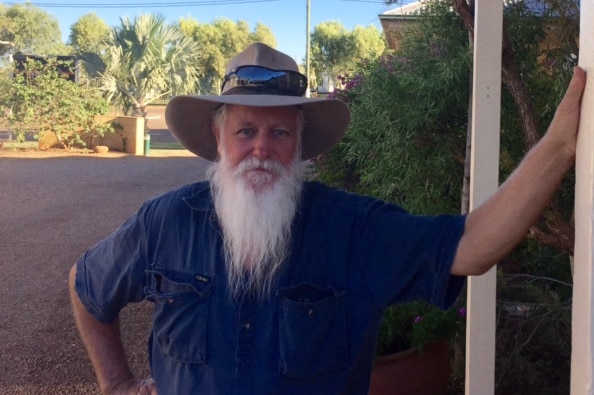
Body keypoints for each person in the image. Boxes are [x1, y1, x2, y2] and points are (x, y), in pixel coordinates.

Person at [69, 42, 586, 395]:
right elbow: (87, 285)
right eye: (246, 131)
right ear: (218, 138)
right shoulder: (166, 222)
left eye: (280, 133)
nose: (261, 149)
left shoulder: (351, 229)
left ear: (300, 146)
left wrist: (561, 147)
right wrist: (116, 384)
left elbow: (474, 245)